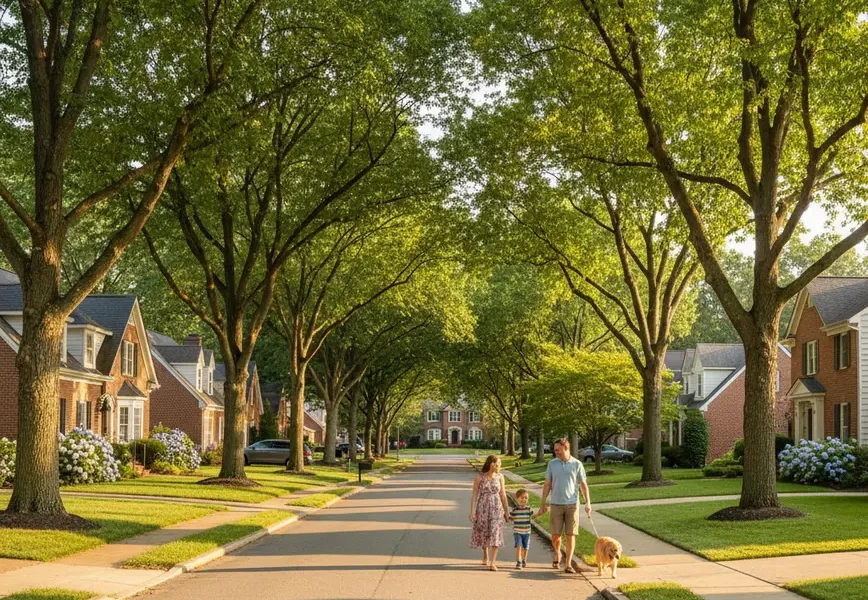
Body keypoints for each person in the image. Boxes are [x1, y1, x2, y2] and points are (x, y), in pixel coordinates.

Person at [538, 438, 592, 574]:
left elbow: (583, 485)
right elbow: (547, 484)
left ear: (566, 448)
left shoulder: (577, 464)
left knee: (570, 535)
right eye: (555, 450)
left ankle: (568, 564)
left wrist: (588, 502)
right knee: (555, 535)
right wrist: (543, 502)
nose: (556, 452)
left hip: (572, 505)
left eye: (558, 450)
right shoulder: (552, 464)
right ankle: (558, 554)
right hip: (556, 504)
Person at [470, 454, 511, 571]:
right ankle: (485, 553)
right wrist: (472, 511)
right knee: (484, 531)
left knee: (495, 532)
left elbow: (503, 494)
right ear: (490, 463)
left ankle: (493, 562)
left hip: (497, 508)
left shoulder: (500, 477)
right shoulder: (480, 477)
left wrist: (507, 511)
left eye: (499, 463)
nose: (498, 465)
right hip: (482, 507)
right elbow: (474, 495)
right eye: (496, 463)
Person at [510, 488, 542, 570]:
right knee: (519, 546)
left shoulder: (529, 509)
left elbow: (534, 516)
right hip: (517, 532)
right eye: (522, 497)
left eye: (526, 498)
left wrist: (540, 513)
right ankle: (518, 562)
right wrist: (504, 514)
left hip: (527, 532)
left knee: (525, 547)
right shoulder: (515, 510)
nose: (524, 499)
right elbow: (510, 518)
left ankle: (524, 560)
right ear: (517, 499)